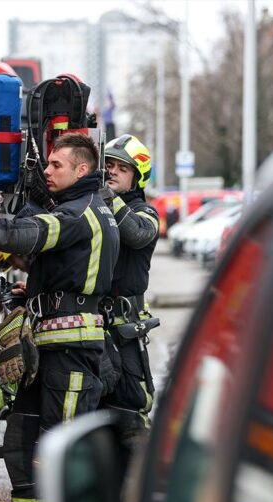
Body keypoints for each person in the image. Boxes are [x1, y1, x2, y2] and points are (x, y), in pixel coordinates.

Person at [0, 132, 119, 502]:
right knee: (22, 441)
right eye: (47, 163)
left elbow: (16, 236)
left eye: (56, 165)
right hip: (51, 350)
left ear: (82, 169)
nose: (47, 171)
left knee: (60, 447)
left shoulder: (79, 213)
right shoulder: (80, 207)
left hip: (71, 352)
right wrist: (32, 295)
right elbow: (69, 270)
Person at [99, 134, 160, 445]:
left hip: (124, 332)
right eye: (107, 165)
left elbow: (136, 235)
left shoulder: (145, 213)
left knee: (129, 408)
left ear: (137, 176)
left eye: (121, 168)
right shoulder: (95, 207)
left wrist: (108, 198)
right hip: (91, 326)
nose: (111, 171)